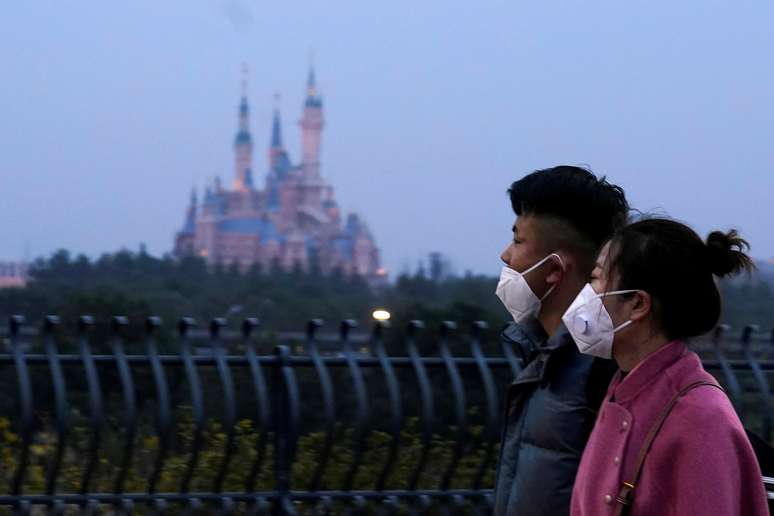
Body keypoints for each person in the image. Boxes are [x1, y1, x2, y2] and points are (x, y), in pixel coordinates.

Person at [566, 219, 769, 516]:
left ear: (638, 304)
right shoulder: (624, 388)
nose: (585, 292)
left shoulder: (701, 415)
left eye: (596, 278)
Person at [493, 165, 629, 516]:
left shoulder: (608, 372)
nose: (505, 256)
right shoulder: (545, 356)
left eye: (518, 241)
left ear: (555, 269)